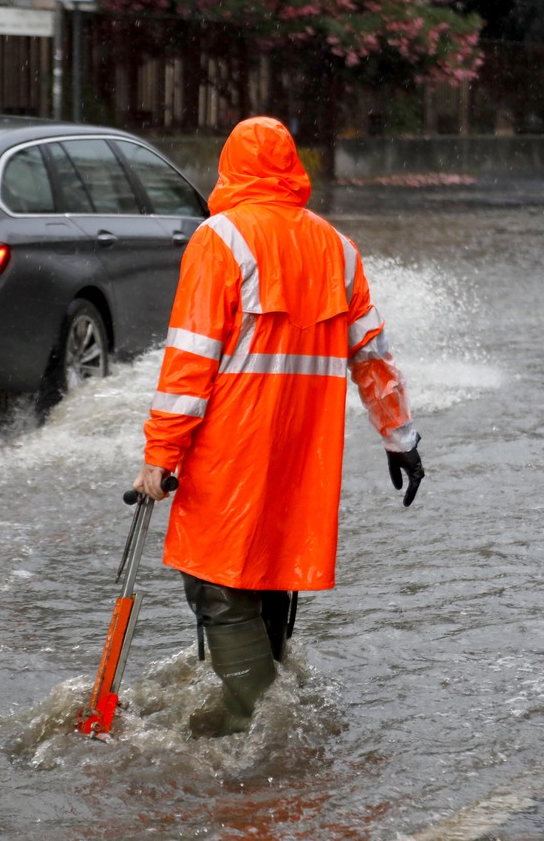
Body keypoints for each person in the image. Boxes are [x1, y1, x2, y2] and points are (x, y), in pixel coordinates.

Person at [132, 115, 424, 736]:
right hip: (303, 456)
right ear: (294, 167)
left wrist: (161, 454)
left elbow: (189, 362)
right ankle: (279, 714)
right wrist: (401, 439)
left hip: (232, 449)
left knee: (220, 587)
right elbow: (372, 355)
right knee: (270, 576)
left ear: (229, 168)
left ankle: (260, 727)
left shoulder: (220, 239)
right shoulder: (337, 247)